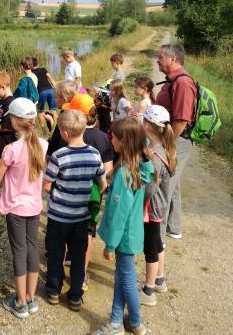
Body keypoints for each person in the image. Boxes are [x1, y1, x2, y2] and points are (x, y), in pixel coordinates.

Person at [43, 110, 107, 311]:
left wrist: (58, 191)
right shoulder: (94, 154)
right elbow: (102, 183)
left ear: (64, 133)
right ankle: (75, 296)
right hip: (82, 216)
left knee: (56, 253)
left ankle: (54, 290)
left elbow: (47, 185)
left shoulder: (58, 155)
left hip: (59, 216)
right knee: (78, 256)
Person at [94, 118, 154, 335]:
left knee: (127, 279)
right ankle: (116, 320)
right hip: (132, 234)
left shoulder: (123, 174)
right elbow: (142, 138)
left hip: (123, 236)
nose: (111, 138)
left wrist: (110, 244)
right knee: (121, 276)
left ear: (124, 141)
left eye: (114, 136)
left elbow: (119, 215)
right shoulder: (139, 165)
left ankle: (136, 322)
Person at [0, 98, 48, 319]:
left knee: (19, 251)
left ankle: (19, 302)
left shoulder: (11, 149)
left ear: (15, 121)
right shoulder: (44, 145)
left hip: (16, 209)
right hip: (35, 206)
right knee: (32, 247)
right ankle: (31, 297)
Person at [60, 94, 113, 292]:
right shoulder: (102, 138)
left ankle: (63, 263)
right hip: (92, 193)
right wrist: (98, 186)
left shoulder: (66, 135)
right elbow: (107, 170)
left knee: (65, 229)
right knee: (87, 231)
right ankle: (80, 273)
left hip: (67, 192)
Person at [154, 44, 197, 240]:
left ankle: (158, 239)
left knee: (163, 187)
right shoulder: (172, 80)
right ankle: (174, 227)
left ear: (173, 59)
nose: (157, 60)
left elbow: (181, 121)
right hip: (170, 139)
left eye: (161, 57)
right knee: (174, 182)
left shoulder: (182, 83)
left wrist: (166, 145)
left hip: (175, 141)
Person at [139, 105, 176, 306]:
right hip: (161, 206)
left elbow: (150, 189)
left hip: (151, 208)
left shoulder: (154, 158)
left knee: (150, 249)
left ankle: (148, 290)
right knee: (158, 244)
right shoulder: (166, 149)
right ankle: (160, 279)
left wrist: (137, 202)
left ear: (147, 125)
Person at [43, 80, 78, 159]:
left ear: (64, 99)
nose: (54, 100)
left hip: (61, 156)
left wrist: (48, 157)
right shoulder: (76, 112)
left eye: (55, 97)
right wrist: (51, 121)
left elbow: (56, 138)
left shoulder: (65, 115)